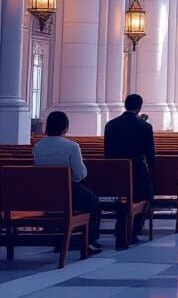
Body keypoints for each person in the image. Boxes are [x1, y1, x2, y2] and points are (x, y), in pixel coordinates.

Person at [33, 110, 102, 254]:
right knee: (93, 202)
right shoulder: (71, 146)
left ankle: (61, 237)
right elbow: (78, 175)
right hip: (68, 190)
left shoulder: (37, 147)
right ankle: (89, 240)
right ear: (65, 127)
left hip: (43, 193)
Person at [104, 93, 156, 249]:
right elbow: (150, 154)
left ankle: (121, 227)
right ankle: (133, 231)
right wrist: (151, 170)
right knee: (148, 196)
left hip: (115, 171)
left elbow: (107, 151)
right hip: (137, 171)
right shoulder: (144, 126)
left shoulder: (110, 125)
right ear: (139, 107)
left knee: (122, 196)